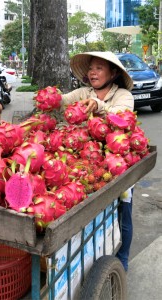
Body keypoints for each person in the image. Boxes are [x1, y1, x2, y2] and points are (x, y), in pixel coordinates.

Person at [62, 51, 134, 272]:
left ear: (112, 73)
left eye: (99, 68)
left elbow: (121, 116)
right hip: (87, 163)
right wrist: (52, 97)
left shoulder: (123, 95)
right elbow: (63, 101)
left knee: (124, 210)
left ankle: (122, 259)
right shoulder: (83, 92)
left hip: (117, 161)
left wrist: (97, 105)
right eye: (91, 68)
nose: (93, 72)